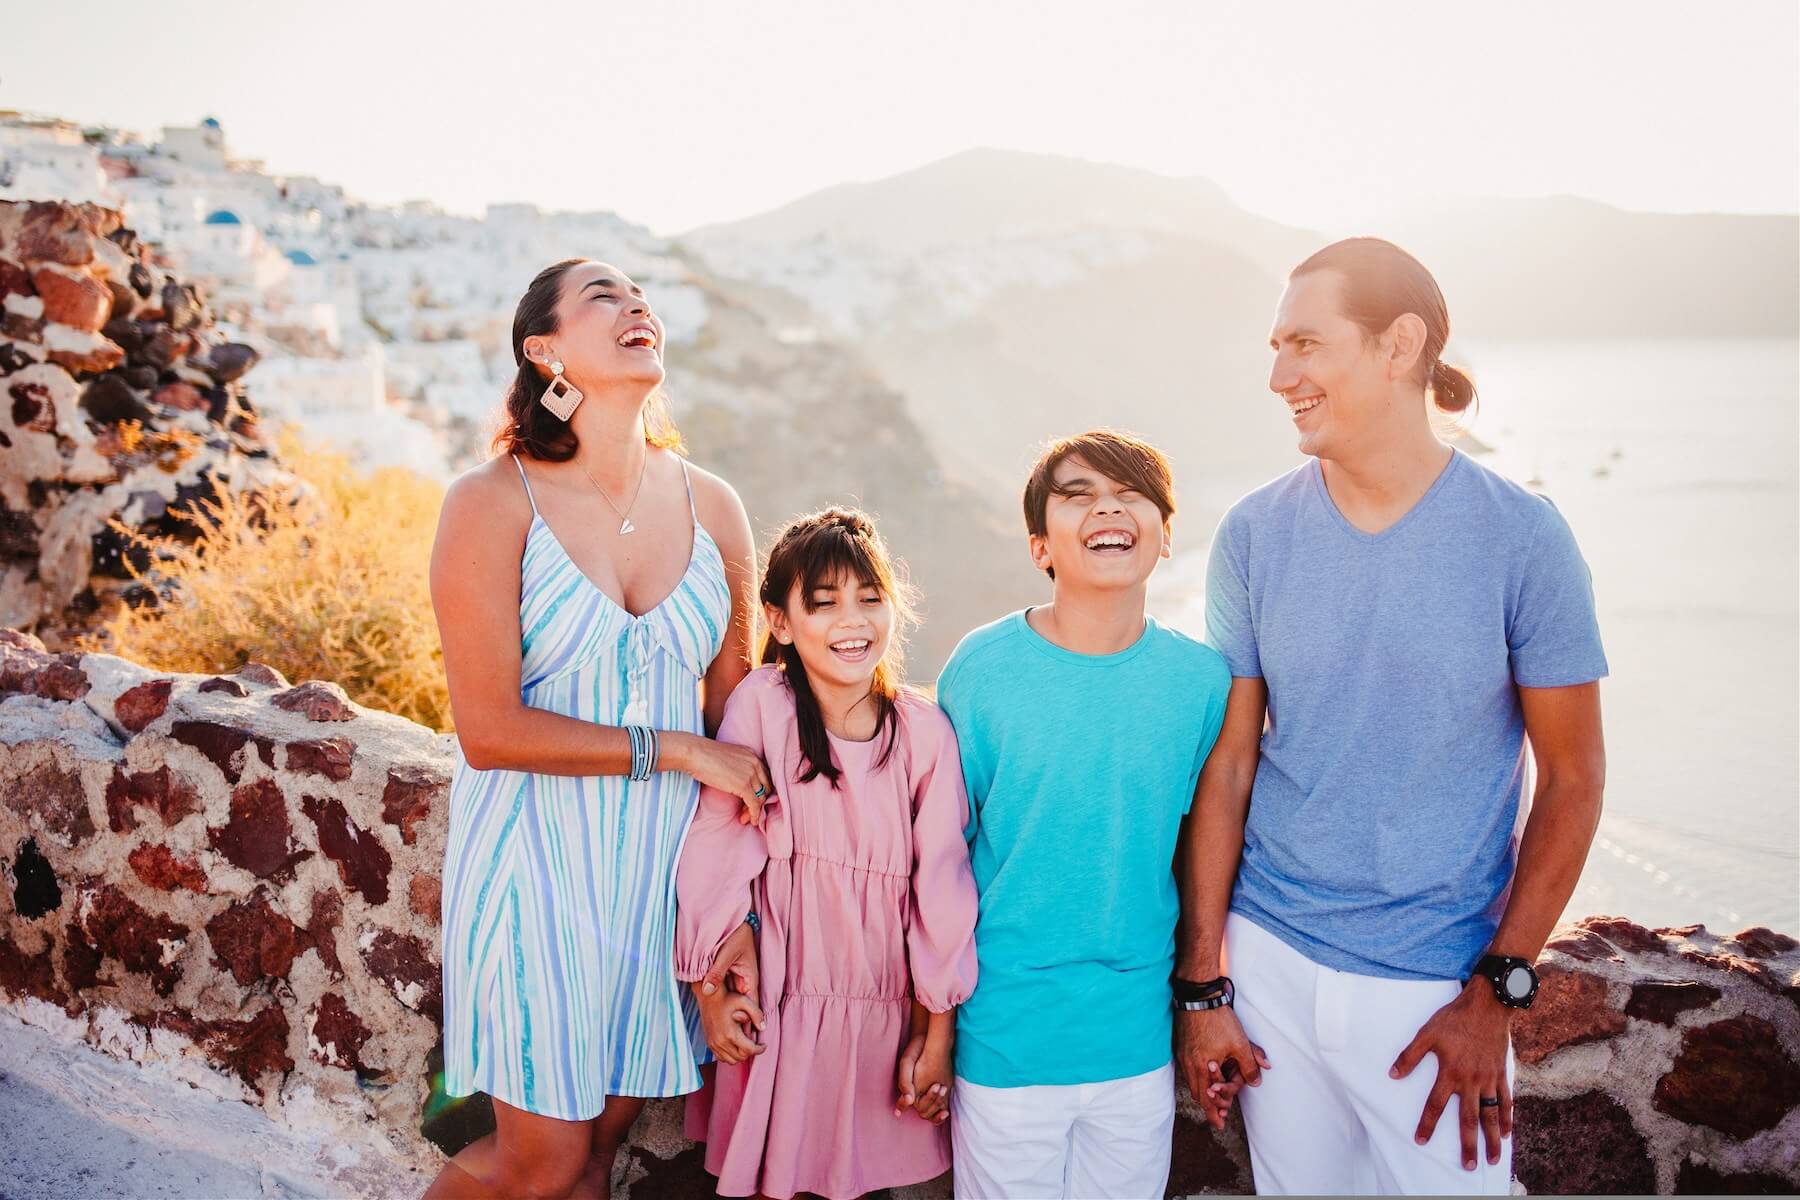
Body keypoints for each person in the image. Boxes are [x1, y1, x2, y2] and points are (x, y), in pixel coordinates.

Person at [1181, 237, 1608, 1195]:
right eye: (1275, 347)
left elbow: (1573, 781)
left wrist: (1498, 991)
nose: (1279, 374)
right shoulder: (1253, 532)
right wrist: (1206, 984)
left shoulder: (1521, 538)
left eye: (1304, 344)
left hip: (1431, 988)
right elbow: (1231, 766)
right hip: (1271, 969)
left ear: (1399, 343)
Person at [424, 259, 771, 1200]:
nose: (637, 308)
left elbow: (739, 712)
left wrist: (732, 903)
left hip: (661, 884)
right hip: (533, 870)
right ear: (544, 349)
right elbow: (488, 728)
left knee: (597, 1162)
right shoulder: (491, 502)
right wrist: (676, 750)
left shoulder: (715, 505)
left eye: (642, 297)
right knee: (541, 1166)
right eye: (604, 298)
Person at [937, 430, 1236, 1199]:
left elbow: (1206, 843)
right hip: (1005, 1036)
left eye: (1131, 493)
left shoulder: (1202, 683)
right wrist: (932, 1031)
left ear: (1166, 536)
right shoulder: (982, 668)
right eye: (1078, 496)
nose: (1108, 506)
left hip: (1135, 1043)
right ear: (1041, 545)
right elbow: (938, 857)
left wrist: (1204, 1003)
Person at [676, 507, 980, 1200]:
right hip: (777, 1004)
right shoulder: (764, 705)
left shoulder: (925, 734)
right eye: (824, 603)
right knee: (766, 1183)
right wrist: (710, 988)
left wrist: (938, 1035)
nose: (853, 620)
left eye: (870, 599)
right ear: (780, 623)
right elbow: (717, 847)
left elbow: (943, 889)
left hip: (882, 1014)